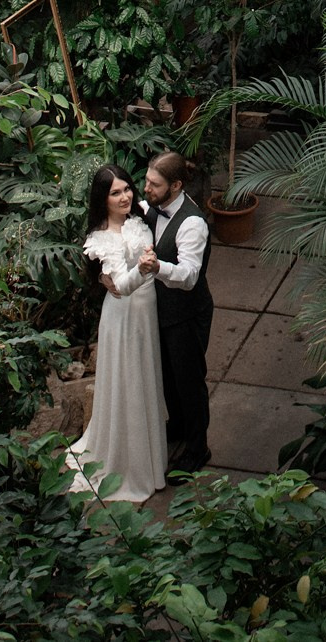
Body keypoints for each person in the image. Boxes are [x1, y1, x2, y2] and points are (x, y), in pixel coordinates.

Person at [64, 164, 166, 502]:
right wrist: (143, 268)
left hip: (146, 314)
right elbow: (120, 285)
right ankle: (131, 464)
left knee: (146, 375)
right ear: (102, 199)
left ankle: (151, 454)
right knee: (128, 381)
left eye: (126, 189)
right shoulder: (101, 240)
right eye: (115, 193)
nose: (124, 197)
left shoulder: (140, 219)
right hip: (123, 318)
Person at [140, 150, 214, 474]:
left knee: (189, 382)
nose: (146, 189)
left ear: (176, 186)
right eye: (146, 181)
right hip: (162, 312)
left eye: (154, 185)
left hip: (187, 313)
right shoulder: (153, 208)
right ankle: (179, 426)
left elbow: (189, 276)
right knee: (168, 378)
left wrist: (158, 267)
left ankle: (198, 449)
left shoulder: (192, 224)